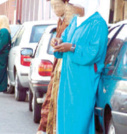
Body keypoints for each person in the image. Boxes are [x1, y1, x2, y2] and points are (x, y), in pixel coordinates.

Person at [52, 0, 108, 133]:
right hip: (68, 80)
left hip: (84, 82)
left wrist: (71, 48)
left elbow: (94, 52)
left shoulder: (98, 24)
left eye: (74, 4)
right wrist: (58, 41)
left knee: (79, 120)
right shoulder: (75, 22)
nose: (71, 7)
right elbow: (64, 38)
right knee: (65, 116)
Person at [36, 0, 84, 134]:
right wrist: (56, 41)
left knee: (60, 101)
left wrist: (69, 46)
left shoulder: (76, 23)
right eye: (52, 6)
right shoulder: (61, 21)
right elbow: (61, 41)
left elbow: (83, 50)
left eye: (57, 5)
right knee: (52, 97)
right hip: (59, 65)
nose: (55, 9)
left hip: (70, 68)